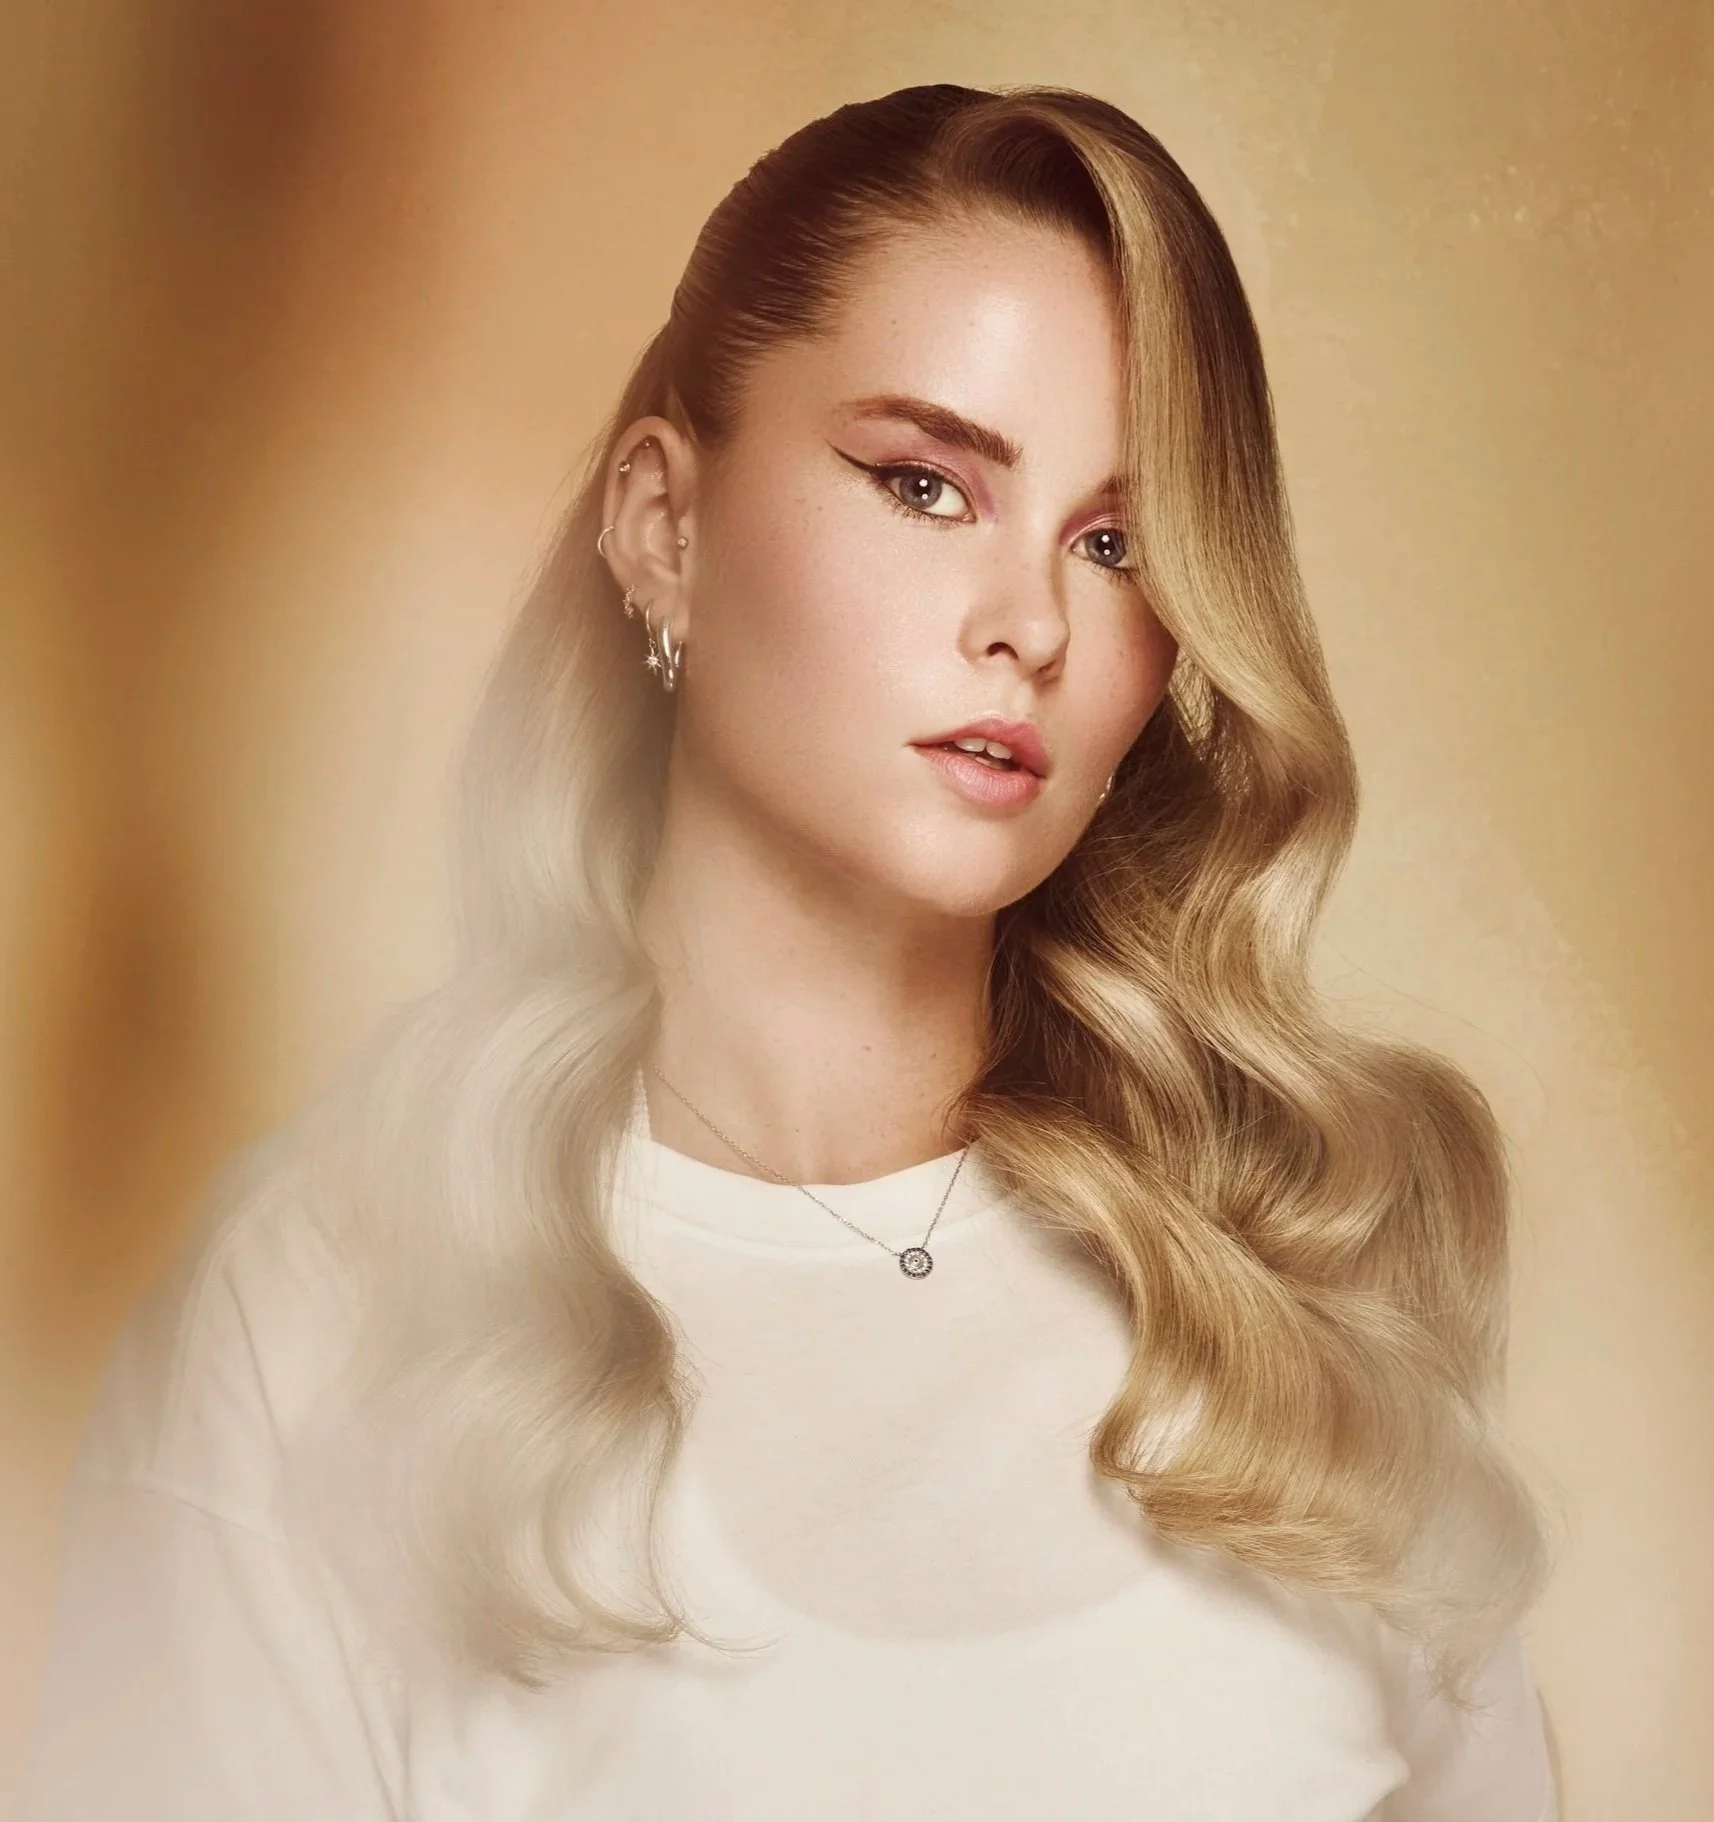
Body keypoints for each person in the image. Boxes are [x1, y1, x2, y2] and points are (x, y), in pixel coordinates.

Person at [21, 82, 1559, 1821]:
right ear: (662, 526)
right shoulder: (318, 1325)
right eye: (923, 483)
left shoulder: (1301, 1319)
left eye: (1115, 542)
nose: (1031, 624)